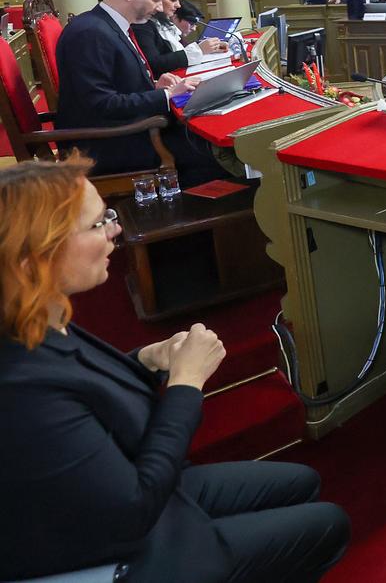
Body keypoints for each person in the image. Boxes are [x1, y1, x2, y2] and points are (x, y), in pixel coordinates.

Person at [0, 158, 350, 583]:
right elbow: (134, 509)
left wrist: (145, 360)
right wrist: (187, 384)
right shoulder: (20, 391)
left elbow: (79, 388)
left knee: (303, 481)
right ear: (31, 261)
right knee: (331, 524)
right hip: (123, 554)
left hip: (135, 500)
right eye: (96, 225)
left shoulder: (35, 312)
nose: (115, 230)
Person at [53, 0, 225, 183]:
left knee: (205, 132)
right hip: (108, 142)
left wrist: (153, 85)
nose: (160, 7)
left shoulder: (107, 25)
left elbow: (116, 83)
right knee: (212, 151)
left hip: (126, 128)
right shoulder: (91, 33)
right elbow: (100, 103)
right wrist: (167, 94)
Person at [132, 0, 227, 76]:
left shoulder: (163, 22)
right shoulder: (141, 26)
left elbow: (179, 51)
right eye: (173, 0)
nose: (178, 5)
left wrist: (208, 49)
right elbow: (154, 65)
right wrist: (198, 50)